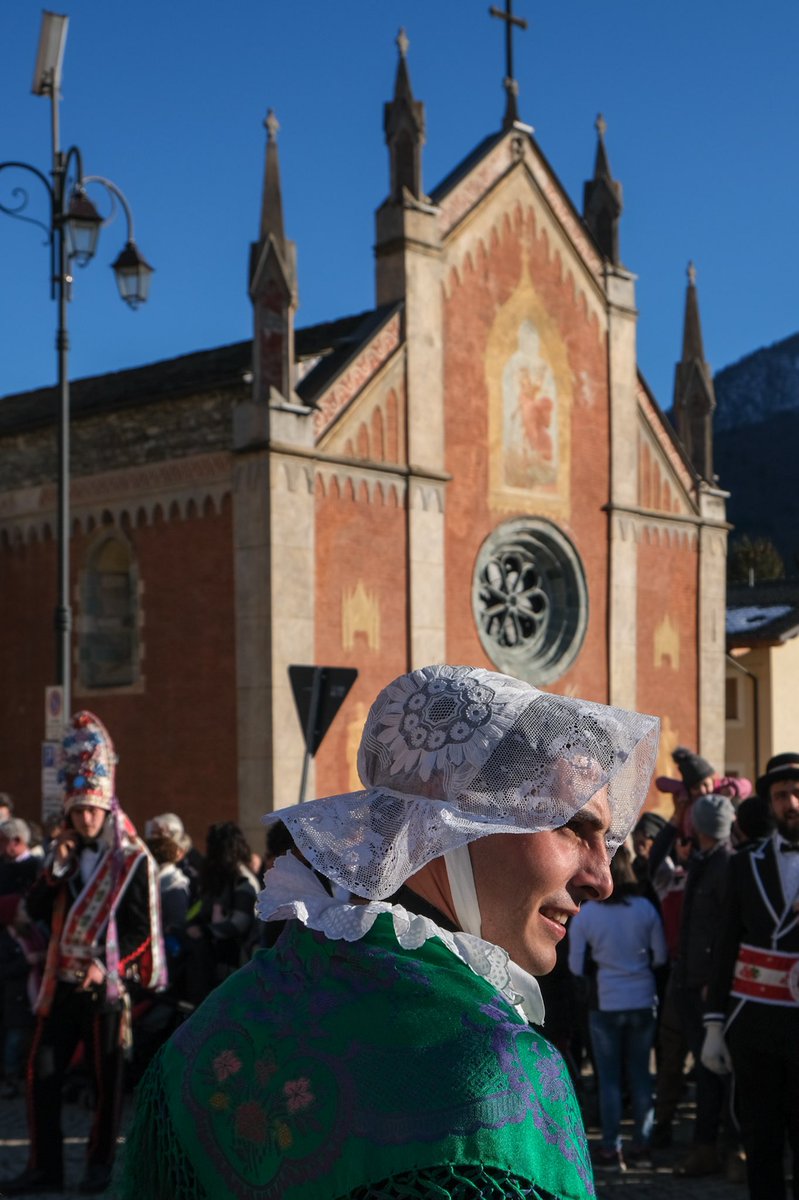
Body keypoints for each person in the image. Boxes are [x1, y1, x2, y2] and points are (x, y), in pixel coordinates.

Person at [120, 664, 659, 1200]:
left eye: (606, 841)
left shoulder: (216, 1026)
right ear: (457, 821)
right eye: (571, 826)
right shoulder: (493, 1071)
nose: (602, 879)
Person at [0, 711, 166, 1197]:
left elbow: (142, 930)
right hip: (62, 984)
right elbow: (29, 911)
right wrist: (55, 870)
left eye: (92, 809)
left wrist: (108, 968)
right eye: (77, 811)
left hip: (106, 989)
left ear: (106, 806)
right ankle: (45, 1165)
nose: (85, 818)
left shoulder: (132, 860)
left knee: (105, 1081)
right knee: (42, 1071)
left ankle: (98, 1165)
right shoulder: (65, 860)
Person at [702, 752, 799, 1200]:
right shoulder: (745, 863)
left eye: (798, 793)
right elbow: (725, 944)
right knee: (760, 1141)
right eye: (782, 796)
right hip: (753, 1019)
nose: (792, 803)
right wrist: (714, 1023)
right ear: (770, 804)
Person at [568, 842, 667, 1169]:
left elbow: (575, 965)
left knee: (609, 1079)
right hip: (641, 999)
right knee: (641, 1075)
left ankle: (611, 1146)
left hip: (606, 1002)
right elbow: (661, 957)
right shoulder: (645, 909)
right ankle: (643, 1143)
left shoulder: (588, 914)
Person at [662, 794, 739, 1179]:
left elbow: (724, 931)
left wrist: (713, 980)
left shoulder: (726, 865)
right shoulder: (705, 860)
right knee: (708, 1071)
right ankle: (714, 1148)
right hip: (690, 981)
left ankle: (720, 1149)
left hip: (707, 986)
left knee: (716, 1072)